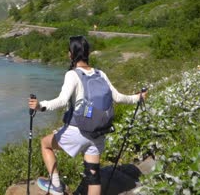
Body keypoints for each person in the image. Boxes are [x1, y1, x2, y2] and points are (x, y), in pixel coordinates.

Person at [28, 35, 147, 195]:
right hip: (99, 133)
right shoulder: (100, 74)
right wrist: (138, 97)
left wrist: (40, 106)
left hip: (78, 131)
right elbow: (118, 97)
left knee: (45, 144)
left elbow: (62, 101)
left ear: (71, 54)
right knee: (94, 176)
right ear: (87, 53)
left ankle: (56, 186)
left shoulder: (72, 75)